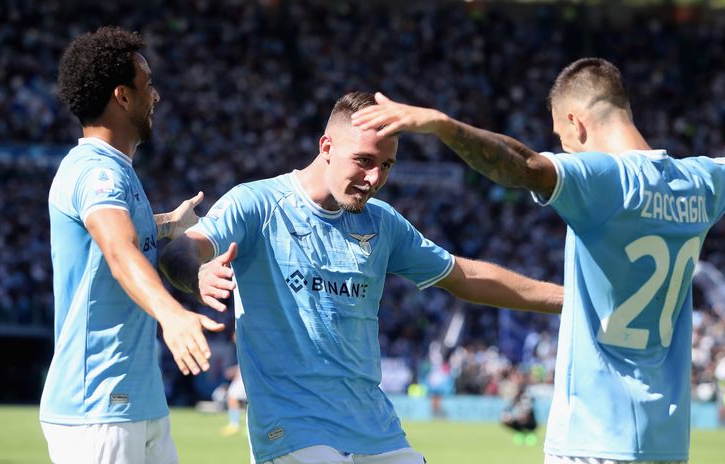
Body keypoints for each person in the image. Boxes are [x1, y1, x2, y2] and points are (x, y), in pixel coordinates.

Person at [351, 58, 725, 463]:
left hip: (593, 438)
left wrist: (443, 125)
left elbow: (523, 165)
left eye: (561, 137)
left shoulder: (607, 180)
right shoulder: (701, 181)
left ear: (577, 122)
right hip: (666, 442)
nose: (564, 148)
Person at [159, 91, 563, 464]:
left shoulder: (382, 222)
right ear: (327, 147)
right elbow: (182, 249)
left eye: (386, 165)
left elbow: (465, 275)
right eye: (365, 161)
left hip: (376, 431)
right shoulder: (259, 204)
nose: (375, 179)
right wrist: (197, 273)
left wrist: (572, 298)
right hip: (294, 431)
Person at [40, 26, 225, 464]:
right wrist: (173, 315)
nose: (156, 96)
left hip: (137, 402)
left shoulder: (114, 172)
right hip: (98, 407)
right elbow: (119, 251)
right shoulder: (96, 172)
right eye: (148, 85)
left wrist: (170, 224)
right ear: (122, 97)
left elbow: (128, 234)